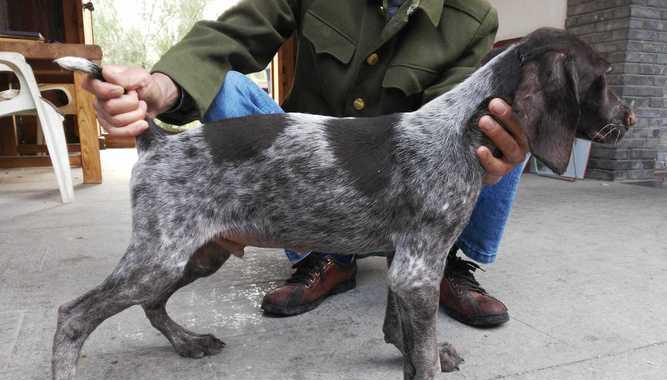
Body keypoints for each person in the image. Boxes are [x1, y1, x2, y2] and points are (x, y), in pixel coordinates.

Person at [84, 0, 529, 328]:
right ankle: (324, 255)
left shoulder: (472, 17)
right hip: (310, 174)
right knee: (226, 86)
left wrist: (487, 160)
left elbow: (447, 127)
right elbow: (231, 37)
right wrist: (162, 86)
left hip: (403, 181)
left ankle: (445, 260)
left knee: (505, 124)